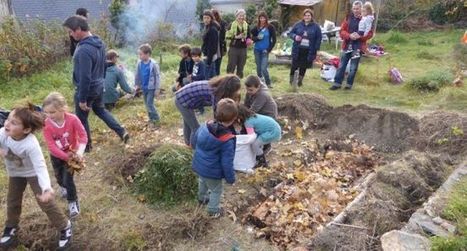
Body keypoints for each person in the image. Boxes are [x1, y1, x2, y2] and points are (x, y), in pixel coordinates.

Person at [0, 104, 72, 250]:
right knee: (13, 201)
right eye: (8, 119)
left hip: (33, 173)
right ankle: (11, 227)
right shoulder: (3, 133)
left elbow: (40, 167)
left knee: (45, 202)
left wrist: (46, 188)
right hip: (15, 174)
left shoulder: (30, 144)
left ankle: (65, 227)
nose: (7, 124)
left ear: (26, 129)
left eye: (14, 123)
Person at [63, 15, 129, 152]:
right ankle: (122, 131)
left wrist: (82, 99)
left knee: (81, 119)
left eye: (71, 31)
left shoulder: (83, 51)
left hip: (87, 89)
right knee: (101, 110)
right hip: (99, 85)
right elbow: (102, 65)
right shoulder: (99, 42)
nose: (70, 35)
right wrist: (102, 82)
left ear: (79, 29)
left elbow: (85, 77)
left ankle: (86, 147)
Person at [42, 92, 87, 218]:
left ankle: (73, 202)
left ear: (62, 109)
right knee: (59, 177)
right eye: (47, 113)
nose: (49, 116)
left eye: (52, 112)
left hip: (72, 154)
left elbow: (83, 136)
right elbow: (51, 146)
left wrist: (79, 153)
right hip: (57, 156)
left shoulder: (73, 119)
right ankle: (62, 186)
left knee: (68, 179)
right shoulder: (46, 125)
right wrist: (66, 157)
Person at [191, 98, 238, 218]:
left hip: (199, 165)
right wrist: (230, 178)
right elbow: (227, 162)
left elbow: (194, 140)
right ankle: (213, 210)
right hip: (213, 171)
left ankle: (202, 199)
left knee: (202, 181)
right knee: (216, 190)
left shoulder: (205, 125)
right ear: (233, 119)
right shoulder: (227, 140)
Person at [175, 74, 242, 146]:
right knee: (196, 128)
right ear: (230, 89)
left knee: (188, 123)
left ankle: (187, 143)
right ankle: (194, 148)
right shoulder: (215, 91)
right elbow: (217, 112)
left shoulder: (218, 86)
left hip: (183, 98)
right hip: (182, 100)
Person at [330, 1, 374, 91]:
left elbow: (370, 33)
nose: (355, 10)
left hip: (358, 47)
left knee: (353, 68)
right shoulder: (348, 18)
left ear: (361, 9)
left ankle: (348, 85)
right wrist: (349, 35)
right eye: (354, 8)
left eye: (357, 8)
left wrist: (359, 36)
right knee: (342, 65)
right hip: (347, 45)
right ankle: (337, 83)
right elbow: (342, 31)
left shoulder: (366, 19)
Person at [288, 9, 322, 87]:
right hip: (297, 49)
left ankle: (300, 81)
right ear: (303, 16)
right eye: (305, 15)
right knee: (294, 65)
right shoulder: (298, 24)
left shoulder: (316, 27)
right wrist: (295, 36)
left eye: (308, 15)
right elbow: (290, 33)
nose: (307, 17)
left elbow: (318, 39)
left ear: (311, 16)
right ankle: (291, 81)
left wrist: (317, 50)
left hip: (308, 51)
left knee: (304, 66)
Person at [135, 43, 161, 128]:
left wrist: (157, 89)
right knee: (146, 104)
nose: (139, 56)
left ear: (147, 54)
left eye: (141, 54)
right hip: (144, 87)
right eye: (139, 54)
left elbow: (157, 77)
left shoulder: (153, 64)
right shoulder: (139, 63)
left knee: (150, 103)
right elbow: (137, 74)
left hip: (151, 88)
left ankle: (156, 119)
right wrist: (137, 85)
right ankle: (151, 118)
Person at [251, 11, 277, 88]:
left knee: (263, 68)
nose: (262, 20)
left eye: (264, 18)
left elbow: (274, 40)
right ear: (259, 19)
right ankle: (260, 83)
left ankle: (268, 83)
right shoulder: (256, 27)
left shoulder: (270, 27)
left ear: (266, 18)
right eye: (261, 18)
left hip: (265, 51)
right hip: (257, 50)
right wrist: (257, 38)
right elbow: (251, 37)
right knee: (258, 68)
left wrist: (268, 49)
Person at [225, 9, 250, 78]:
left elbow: (248, 36)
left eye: (243, 16)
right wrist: (236, 37)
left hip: (243, 48)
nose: (241, 17)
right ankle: (229, 80)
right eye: (240, 15)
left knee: (241, 66)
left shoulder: (246, 25)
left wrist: (248, 41)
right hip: (233, 48)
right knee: (231, 66)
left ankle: (238, 81)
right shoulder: (231, 25)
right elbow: (227, 37)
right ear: (236, 16)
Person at [201, 10, 220, 79]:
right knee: (213, 77)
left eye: (207, 18)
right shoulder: (207, 27)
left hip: (209, 56)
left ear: (211, 18)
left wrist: (209, 59)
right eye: (204, 18)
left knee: (207, 77)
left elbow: (212, 46)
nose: (205, 20)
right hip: (207, 55)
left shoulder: (212, 29)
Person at [212, 9, 227, 76]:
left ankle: (217, 81)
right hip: (211, 48)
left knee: (217, 66)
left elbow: (223, 36)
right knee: (211, 66)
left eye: (214, 15)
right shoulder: (209, 24)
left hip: (219, 47)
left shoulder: (222, 23)